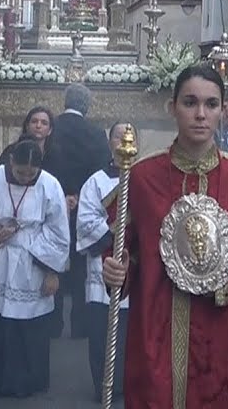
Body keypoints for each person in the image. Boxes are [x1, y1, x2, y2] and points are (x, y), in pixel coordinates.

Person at [101, 64, 228, 408]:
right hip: (157, 334)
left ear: (223, 111)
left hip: (224, 339)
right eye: (190, 102)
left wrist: (220, 276)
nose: (201, 114)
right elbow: (124, 253)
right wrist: (116, 270)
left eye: (211, 104)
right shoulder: (141, 177)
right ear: (173, 108)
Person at [0, 139, 69, 400]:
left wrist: (52, 272)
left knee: (23, 327)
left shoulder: (50, 184)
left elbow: (58, 232)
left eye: (31, 174)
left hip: (29, 262)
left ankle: (20, 381)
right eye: (20, 172)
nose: (25, 178)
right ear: (11, 163)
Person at [45, 85, 111, 340]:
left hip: (53, 200)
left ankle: (53, 322)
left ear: (65, 102)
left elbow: (47, 161)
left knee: (55, 259)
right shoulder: (95, 133)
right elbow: (102, 166)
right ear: (86, 105)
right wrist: (80, 196)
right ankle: (80, 325)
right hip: (84, 203)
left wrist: (61, 194)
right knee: (82, 263)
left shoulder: (53, 128)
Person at [78, 121, 133, 401]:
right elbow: (86, 222)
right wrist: (116, 228)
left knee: (132, 334)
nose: (124, 141)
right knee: (102, 334)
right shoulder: (96, 181)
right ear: (110, 142)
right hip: (104, 272)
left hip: (135, 272)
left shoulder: (145, 179)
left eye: (129, 135)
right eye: (118, 136)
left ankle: (132, 384)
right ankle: (105, 385)